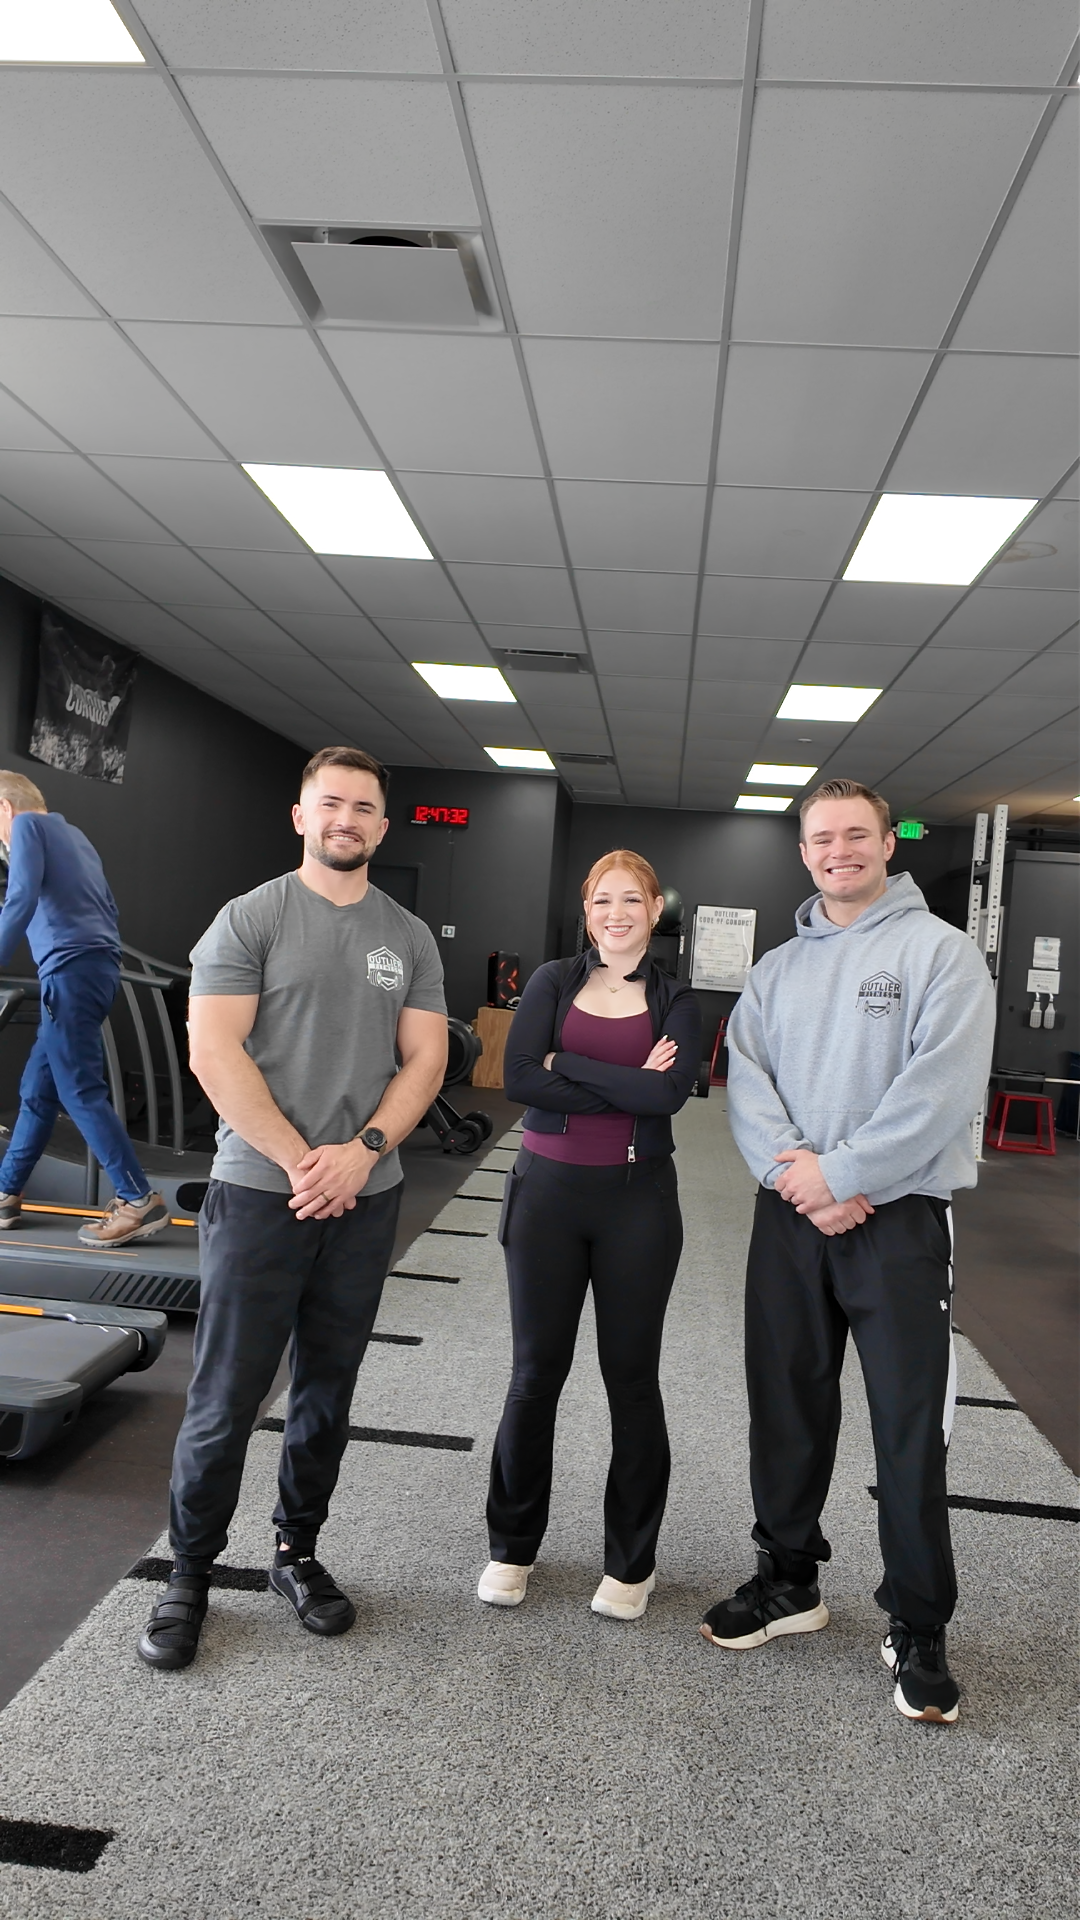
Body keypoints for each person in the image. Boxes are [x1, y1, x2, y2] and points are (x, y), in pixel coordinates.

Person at [137, 747, 447, 1671]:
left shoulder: (410, 938)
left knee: (326, 1391)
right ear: (301, 816)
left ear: (383, 828)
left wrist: (362, 1156)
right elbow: (214, 1051)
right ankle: (188, 1571)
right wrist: (302, 1161)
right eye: (331, 803)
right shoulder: (251, 918)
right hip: (261, 1194)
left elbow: (425, 1061)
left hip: (366, 1196)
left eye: (364, 808)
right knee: (226, 1393)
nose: (347, 818)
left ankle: (295, 1552)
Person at [701, 779, 996, 1725]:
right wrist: (803, 1179)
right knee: (785, 1406)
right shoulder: (778, 969)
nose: (840, 851)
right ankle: (788, 1580)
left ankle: (918, 1624)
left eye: (856, 835)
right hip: (792, 1219)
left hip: (899, 1220)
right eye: (822, 838)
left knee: (907, 1429)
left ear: (887, 844)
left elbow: (940, 1090)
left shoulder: (940, 954)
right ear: (803, 851)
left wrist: (847, 1173)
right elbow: (747, 1081)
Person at [480, 850, 701, 1622]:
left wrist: (565, 1061)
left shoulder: (677, 997)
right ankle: (511, 1547)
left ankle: (630, 1563)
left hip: (639, 1203)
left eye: (631, 900)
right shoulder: (552, 981)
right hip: (546, 1197)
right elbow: (517, 1078)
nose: (616, 913)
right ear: (588, 912)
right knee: (535, 1373)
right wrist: (624, 1078)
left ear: (653, 910)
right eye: (602, 900)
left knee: (631, 1380)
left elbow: (667, 1093)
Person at [0, 771, 168, 1248]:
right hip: (91, 971)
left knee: (79, 1089)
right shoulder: (74, 836)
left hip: (71, 973)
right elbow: (105, 908)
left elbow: (20, 898)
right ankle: (6, 1192)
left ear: (5, 809)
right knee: (39, 1090)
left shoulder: (30, 829)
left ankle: (138, 1198)